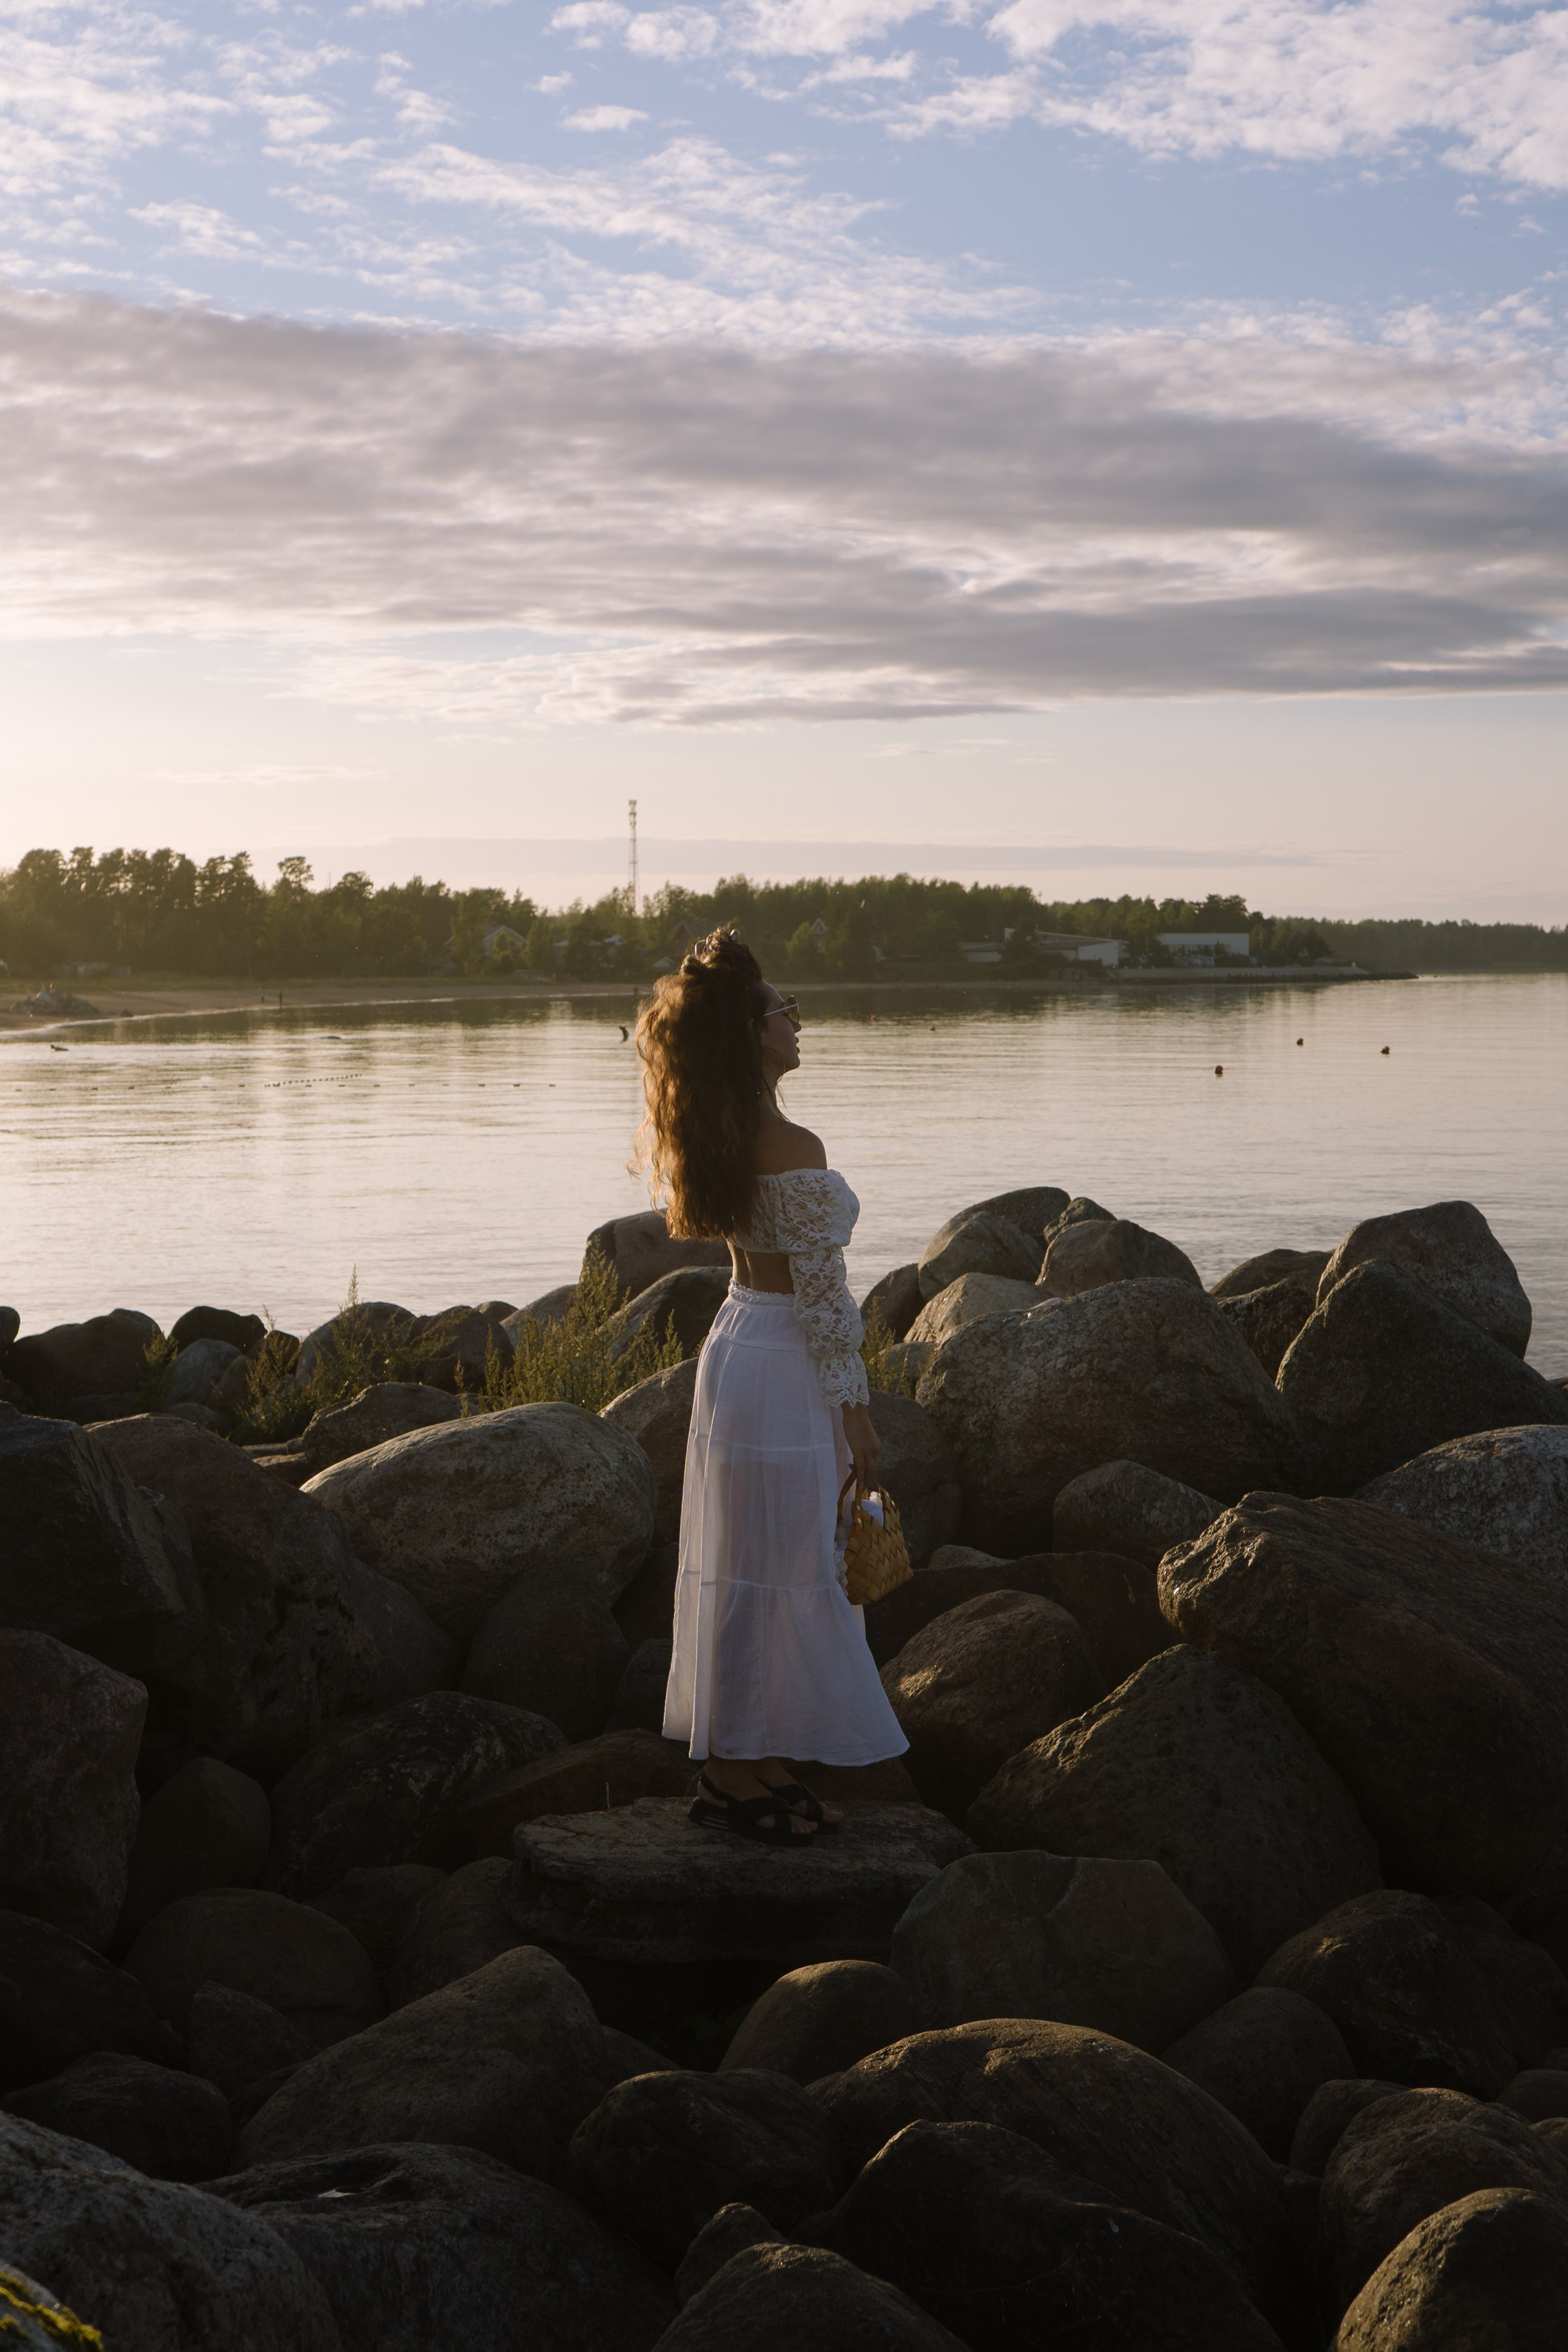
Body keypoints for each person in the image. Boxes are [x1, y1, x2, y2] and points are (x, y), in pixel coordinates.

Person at [635, 926, 907, 1844]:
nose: (799, 1022)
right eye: (785, 1012)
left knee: (752, 1559)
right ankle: (730, 1771)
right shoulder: (790, 1142)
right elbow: (825, 1301)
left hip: (738, 1341)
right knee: (787, 1560)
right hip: (785, 1356)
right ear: (753, 1035)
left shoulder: (717, 1131)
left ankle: (748, 1754)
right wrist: (859, 1415)